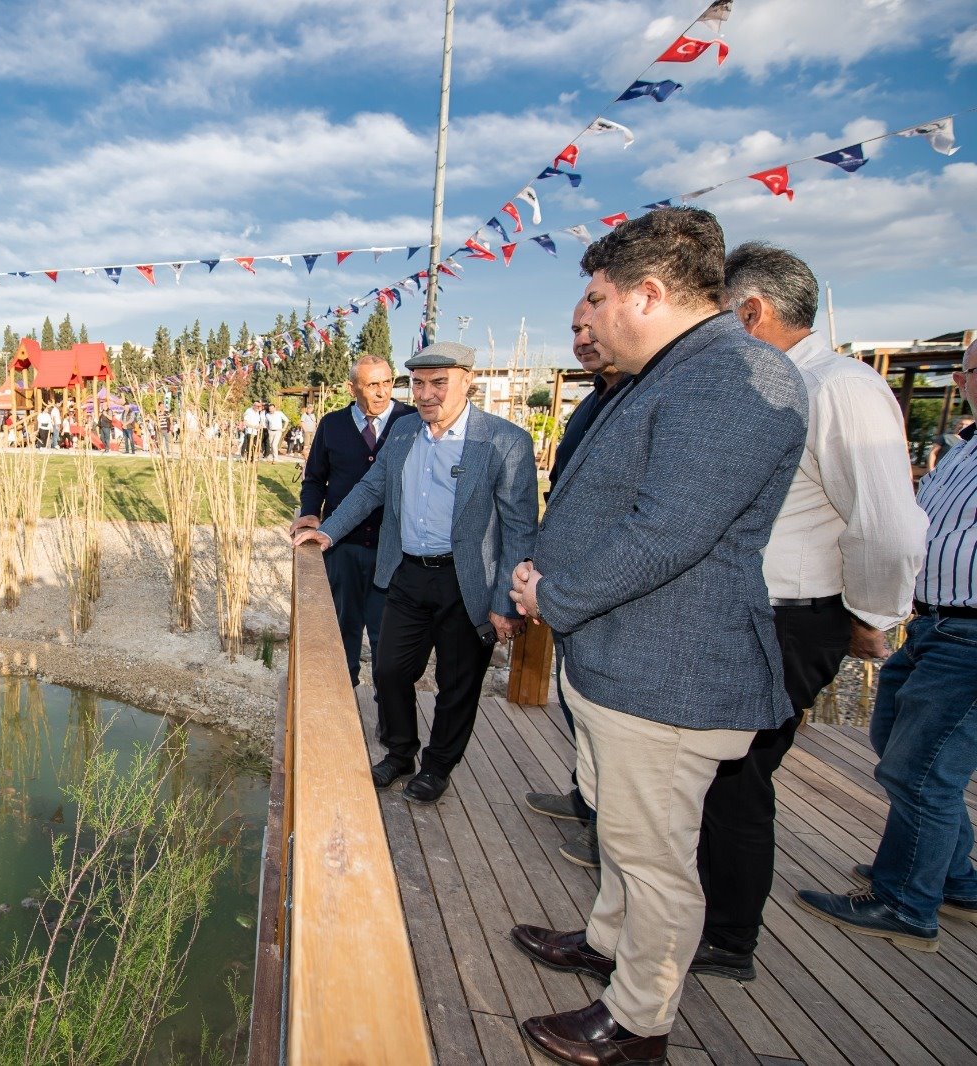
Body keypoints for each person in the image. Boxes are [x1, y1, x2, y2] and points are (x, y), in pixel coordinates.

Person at [506, 207, 807, 1066]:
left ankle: (638, 1021)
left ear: (647, 293)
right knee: (620, 830)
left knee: (655, 858)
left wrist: (552, 595)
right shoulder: (676, 371)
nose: (588, 322)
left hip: (668, 669)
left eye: (596, 301)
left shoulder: (738, 377)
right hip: (621, 661)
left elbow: (665, 534)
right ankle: (608, 943)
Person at [686, 243, 927, 981]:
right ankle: (705, 916)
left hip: (788, 616)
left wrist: (871, 614)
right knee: (713, 773)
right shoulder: (779, 383)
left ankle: (728, 939)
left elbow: (887, 525)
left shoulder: (840, 388)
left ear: (751, 312)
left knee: (737, 777)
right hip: (754, 613)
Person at [294, 341, 537, 804]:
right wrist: (327, 533)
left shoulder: (505, 441)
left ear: (468, 381)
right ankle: (400, 752)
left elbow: (521, 528)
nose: (426, 394)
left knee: (457, 682)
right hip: (406, 574)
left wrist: (507, 603)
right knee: (389, 669)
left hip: (468, 583)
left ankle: (438, 767)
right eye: (420, 383)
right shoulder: (404, 433)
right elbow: (370, 489)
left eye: (438, 383)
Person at [796, 338, 977, 952]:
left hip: (971, 633)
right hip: (933, 623)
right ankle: (950, 876)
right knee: (898, 744)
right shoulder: (960, 451)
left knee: (921, 767)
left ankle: (907, 901)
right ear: (962, 377)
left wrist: (871, 610)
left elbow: (895, 527)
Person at [521, 304, 633, 869]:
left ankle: (609, 830)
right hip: (570, 583)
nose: (582, 340)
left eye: (591, 328)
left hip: (610, 588)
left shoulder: (642, 398)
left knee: (607, 717)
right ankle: (588, 801)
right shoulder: (594, 403)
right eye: (573, 331)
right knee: (578, 703)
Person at [291, 354, 416, 689]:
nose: (382, 392)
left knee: (386, 638)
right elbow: (314, 478)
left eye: (387, 382)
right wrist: (309, 511)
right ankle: (341, 706)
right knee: (341, 632)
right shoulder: (332, 424)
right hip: (341, 546)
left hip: (392, 551)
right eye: (372, 384)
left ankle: (387, 716)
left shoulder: (413, 422)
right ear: (352, 387)